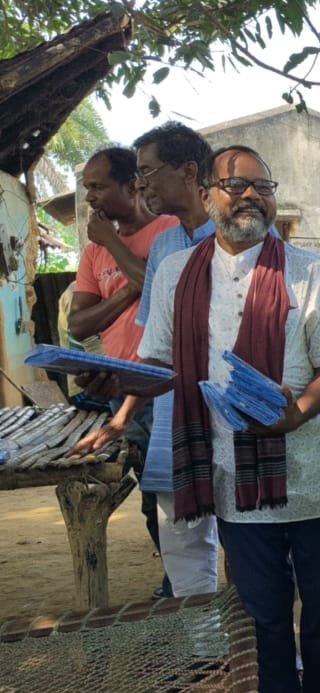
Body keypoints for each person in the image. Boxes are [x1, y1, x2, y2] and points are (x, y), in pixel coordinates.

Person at [136, 145, 320, 693]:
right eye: (236, 185)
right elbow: (158, 362)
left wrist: (297, 412)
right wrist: (118, 385)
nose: (251, 195)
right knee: (264, 616)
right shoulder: (177, 273)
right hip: (236, 481)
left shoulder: (311, 271)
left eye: (263, 185)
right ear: (207, 194)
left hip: (315, 479)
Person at [73, 122, 222, 599]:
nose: (143, 185)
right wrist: (122, 410)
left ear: (189, 172)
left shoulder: (234, 236)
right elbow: (156, 347)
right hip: (167, 408)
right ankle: (200, 636)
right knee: (179, 534)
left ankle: (256, 638)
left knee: (243, 533)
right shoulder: (166, 246)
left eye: (148, 173)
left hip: (225, 412)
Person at [69, 146, 179, 598]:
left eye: (98, 186)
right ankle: (176, 582)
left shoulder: (168, 231)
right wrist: (129, 291)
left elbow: (161, 291)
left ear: (132, 185)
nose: (90, 196)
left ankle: (191, 585)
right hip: (119, 389)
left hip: (165, 388)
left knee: (181, 494)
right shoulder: (93, 254)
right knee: (151, 496)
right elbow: (78, 325)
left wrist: (114, 245)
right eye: (87, 187)